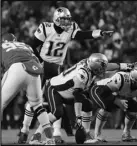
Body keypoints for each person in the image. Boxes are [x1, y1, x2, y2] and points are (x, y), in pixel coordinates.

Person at [19, 6, 114, 144]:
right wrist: (38, 62)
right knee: (35, 100)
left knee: (57, 103)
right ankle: (25, 130)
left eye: (68, 19)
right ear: (56, 19)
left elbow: (82, 35)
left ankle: (55, 133)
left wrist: (99, 33)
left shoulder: (71, 28)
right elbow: (33, 45)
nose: (67, 23)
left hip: (56, 67)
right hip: (41, 65)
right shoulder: (46, 27)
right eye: (63, 19)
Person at [28, 53, 109, 144]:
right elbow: (77, 96)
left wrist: (123, 66)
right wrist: (78, 118)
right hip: (55, 89)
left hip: (68, 92)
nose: (102, 70)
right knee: (57, 113)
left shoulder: (89, 63)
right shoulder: (82, 75)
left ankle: (86, 134)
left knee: (88, 104)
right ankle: (36, 136)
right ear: (94, 66)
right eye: (100, 68)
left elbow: (107, 65)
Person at [1, 33, 55, 145]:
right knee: (37, 105)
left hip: (16, 68)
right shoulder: (26, 45)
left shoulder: (2, 46)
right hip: (35, 69)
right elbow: (38, 60)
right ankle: (50, 140)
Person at [89, 67, 137, 143]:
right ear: (134, 79)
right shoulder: (122, 80)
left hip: (118, 96)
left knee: (135, 108)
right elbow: (103, 92)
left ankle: (126, 134)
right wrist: (116, 100)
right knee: (107, 106)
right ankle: (97, 134)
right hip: (98, 90)